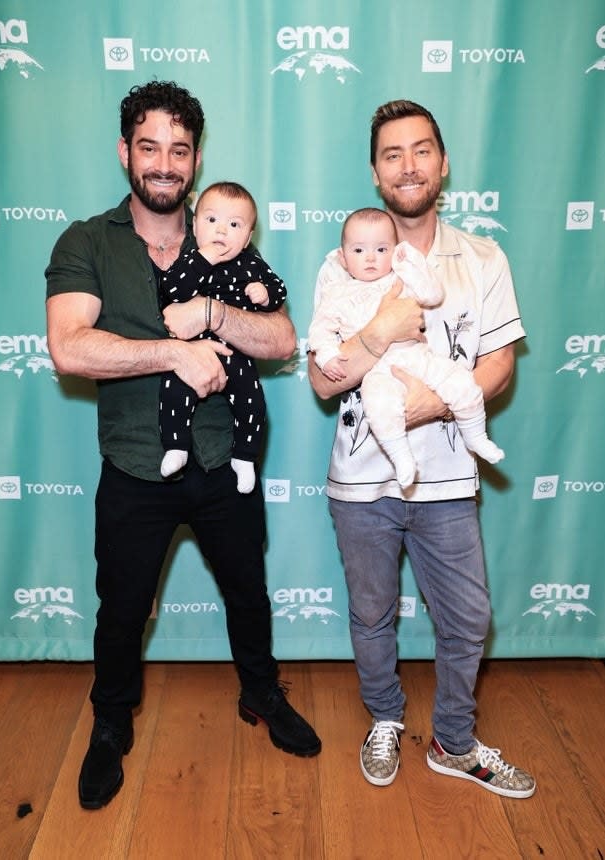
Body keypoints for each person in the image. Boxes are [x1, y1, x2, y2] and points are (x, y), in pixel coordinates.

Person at [45, 80, 321, 811]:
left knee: (247, 594)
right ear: (124, 152)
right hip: (136, 464)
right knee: (122, 607)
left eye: (179, 148)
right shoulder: (86, 240)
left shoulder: (226, 238)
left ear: (195, 160)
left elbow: (282, 338)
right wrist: (169, 352)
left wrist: (212, 314)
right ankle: (110, 724)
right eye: (149, 147)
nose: (164, 163)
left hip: (226, 460)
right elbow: (70, 347)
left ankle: (261, 695)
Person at [308, 100, 535, 797]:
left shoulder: (481, 257)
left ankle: (454, 742)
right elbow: (322, 380)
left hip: (446, 480)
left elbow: (498, 364)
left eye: (420, 150)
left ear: (441, 162)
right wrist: (378, 331)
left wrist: (429, 404)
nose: (407, 165)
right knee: (371, 614)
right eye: (391, 154)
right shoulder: (339, 262)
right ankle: (383, 718)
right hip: (361, 482)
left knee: (468, 617)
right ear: (375, 173)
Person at [308, 207, 504, 489]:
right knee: (379, 407)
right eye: (359, 251)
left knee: (461, 382)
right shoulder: (336, 292)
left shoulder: (400, 278)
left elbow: (432, 293)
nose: (371, 258)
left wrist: (411, 261)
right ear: (342, 257)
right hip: (378, 371)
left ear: (394, 250)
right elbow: (320, 330)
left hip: (418, 356)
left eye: (381, 249)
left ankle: (476, 437)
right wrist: (327, 355)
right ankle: (402, 459)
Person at [159, 180, 287, 492]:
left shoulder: (251, 263)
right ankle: (176, 447)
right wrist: (204, 260)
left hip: (236, 353)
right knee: (174, 392)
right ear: (195, 225)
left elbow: (280, 290)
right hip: (190, 350)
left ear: (247, 238)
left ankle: (244, 457)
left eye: (234, 224)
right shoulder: (189, 260)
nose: (221, 231)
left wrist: (266, 293)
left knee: (253, 404)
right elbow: (172, 290)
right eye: (211, 220)